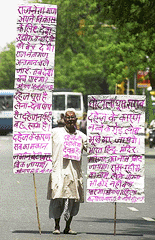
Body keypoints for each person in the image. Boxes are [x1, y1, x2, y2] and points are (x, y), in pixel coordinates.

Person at [47, 108, 87, 235]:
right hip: (58, 171)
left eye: (72, 117)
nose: (70, 120)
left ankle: (68, 226)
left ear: (76, 119)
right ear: (64, 119)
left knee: (73, 201)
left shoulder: (81, 136)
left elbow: (93, 150)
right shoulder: (55, 132)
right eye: (68, 117)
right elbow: (41, 142)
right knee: (57, 199)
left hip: (74, 173)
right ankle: (57, 225)